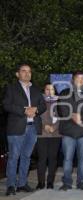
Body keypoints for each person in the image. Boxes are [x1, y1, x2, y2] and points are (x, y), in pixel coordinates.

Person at [3, 64, 46, 196]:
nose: (27, 74)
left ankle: (22, 183)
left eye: (29, 72)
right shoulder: (11, 89)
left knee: (26, 157)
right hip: (16, 128)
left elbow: (43, 105)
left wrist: (36, 110)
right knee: (14, 157)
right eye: (24, 71)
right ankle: (11, 185)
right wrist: (24, 111)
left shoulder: (36, 90)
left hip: (32, 128)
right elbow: (6, 105)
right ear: (18, 74)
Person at [57, 71, 83, 191]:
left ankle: (81, 182)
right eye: (78, 78)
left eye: (82, 79)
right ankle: (67, 183)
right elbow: (61, 109)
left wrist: (81, 117)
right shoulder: (64, 93)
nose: (80, 81)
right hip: (68, 131)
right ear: (72, 80)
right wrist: (73, 115)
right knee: (68, 158)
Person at [36, 83, 61, 190]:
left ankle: (50, 182)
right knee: (42, 159)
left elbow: (62, 116)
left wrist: (54, 127)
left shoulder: (59, 102)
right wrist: (44, 126)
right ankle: (41, 182)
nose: (49, 91)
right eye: (47, 89)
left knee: (52, 159)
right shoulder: (38, 101)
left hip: (55, 134)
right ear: (44, 91)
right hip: (42, 134)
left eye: (52, 89)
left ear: (54, 91)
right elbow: (36, 116)